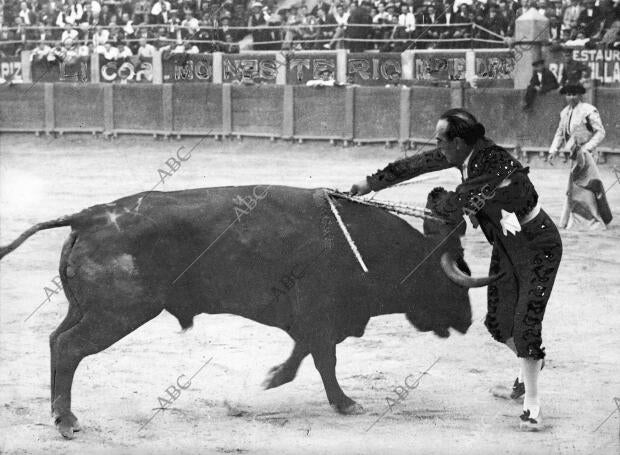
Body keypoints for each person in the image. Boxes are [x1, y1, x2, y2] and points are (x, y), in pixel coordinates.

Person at [350, 108, 563, 431]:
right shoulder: (462, 152)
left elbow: (461, 203)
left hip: (537, 246)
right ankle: (531, 363)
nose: (438, 147)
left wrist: (439, 210)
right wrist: (370, 183)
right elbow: (418, 164)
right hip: (506, 245)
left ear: (460, 142)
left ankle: (532, 406)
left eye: (441, 141)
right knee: (498, 323)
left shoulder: (493, 164)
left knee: (525, 321)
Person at [548, 84, 612, 230]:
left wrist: (586, 148)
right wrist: (553, 150)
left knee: (586, 186)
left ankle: (591, 221)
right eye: (568, 94)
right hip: (575, 155)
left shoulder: (588, 110)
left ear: (580, 95)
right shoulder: (565, 112)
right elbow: (559, 133)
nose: (570, 97)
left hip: (587, 155)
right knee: (575, 186)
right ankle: (574, 219)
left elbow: (600, 132)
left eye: (574, 94)